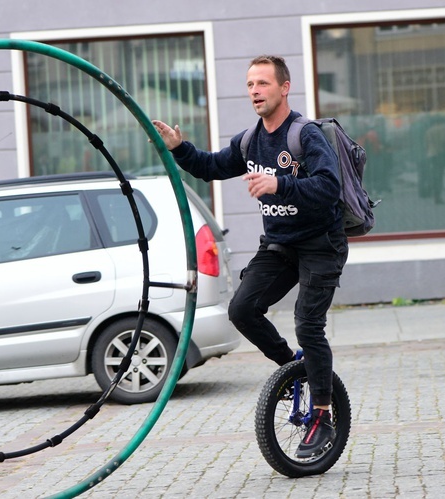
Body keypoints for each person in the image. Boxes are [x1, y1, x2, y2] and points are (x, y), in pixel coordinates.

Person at [153, 55, 348, 459]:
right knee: (242, 310)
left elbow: (328, 187)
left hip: (320, 244)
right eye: (249, 85)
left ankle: (322, 416)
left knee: (308, 323)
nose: (254, 91)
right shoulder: (249, 141)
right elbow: (209, 166)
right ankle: (295, 368)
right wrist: (178, 148)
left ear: (283, 87)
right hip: (279, 246)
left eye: (262, 83)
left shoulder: (304, 135)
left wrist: (279, 183)